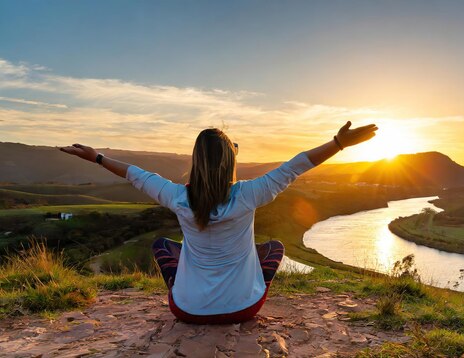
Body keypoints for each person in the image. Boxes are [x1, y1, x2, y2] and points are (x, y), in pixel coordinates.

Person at [60, 121, 377, 324]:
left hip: (186, 312)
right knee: (273, 248)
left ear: (196, 161)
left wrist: (96, 157)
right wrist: (338, 143)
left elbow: (134, 174)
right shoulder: (248, 194)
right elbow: (295, 166)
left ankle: (185, 287)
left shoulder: (177, 197)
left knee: (164, 246)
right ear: (231, 162)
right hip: (244, 309)